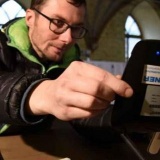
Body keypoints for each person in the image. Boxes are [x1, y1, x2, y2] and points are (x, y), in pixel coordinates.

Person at [0, 0, 133, 135]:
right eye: (58, 22)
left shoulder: (71, 61)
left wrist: (127, 120)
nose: (68, 39)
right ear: (30, 18)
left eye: (76, 28)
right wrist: (44, 93)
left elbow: (81, 117)